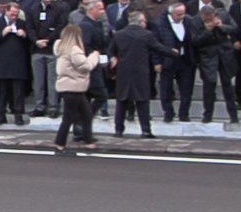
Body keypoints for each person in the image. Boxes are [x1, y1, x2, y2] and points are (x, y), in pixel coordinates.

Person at [108, 10, 174, 138]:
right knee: (142, 101)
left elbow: (110, 51)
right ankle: (145, 130)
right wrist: (173, 52)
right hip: (140, 72)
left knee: (121, 101)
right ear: (141, 22)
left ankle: (118, 130)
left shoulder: (119, 35)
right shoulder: (146, 35)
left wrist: (113, 59)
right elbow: (159, 48)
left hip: (123, 72)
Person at [52, 23, 102, 151]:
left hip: (68, 86)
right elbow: (85, 66)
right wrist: (94, 56)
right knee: (70, 117)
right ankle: (60, 143)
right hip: (74, 86)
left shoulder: (61, 48)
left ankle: (87, 140)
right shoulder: (74, 50)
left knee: (86, 114)